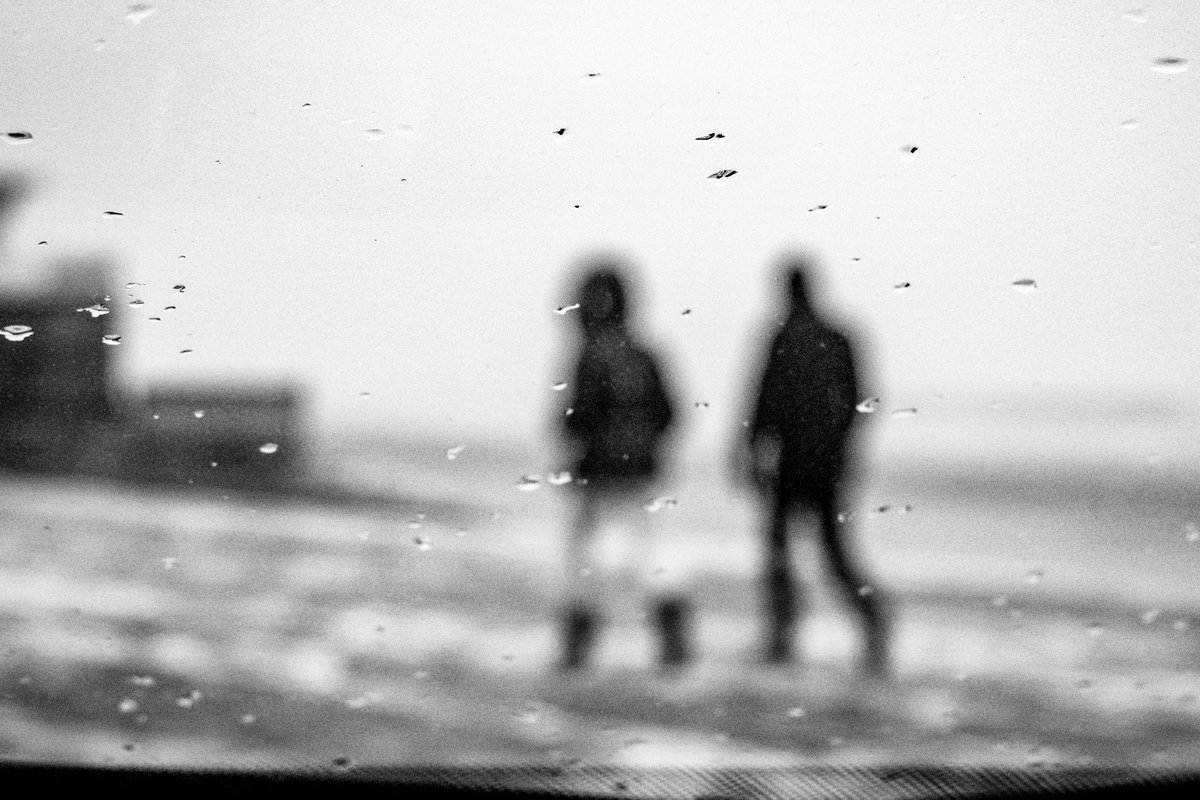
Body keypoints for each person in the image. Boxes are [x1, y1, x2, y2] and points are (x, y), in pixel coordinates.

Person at [738, 255, 890, 675]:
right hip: (821, 467)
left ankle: (786, 638)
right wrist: (844, 452)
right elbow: (860, 403)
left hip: (796, 466)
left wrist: (749, 450)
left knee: (787, 555)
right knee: (828, 555)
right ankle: (870, 626)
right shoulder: (835, 337)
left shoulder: (784, 338)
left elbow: (761, 401)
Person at [556, 263, 689, 672]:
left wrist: (584, 441)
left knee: (587, 567)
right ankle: (673, 646)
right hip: (641, 476)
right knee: (648, 561)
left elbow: (575, 418)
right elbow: (671, 412)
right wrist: (645, 445)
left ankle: (576, 657)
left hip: (598, 477)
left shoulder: (590, 356)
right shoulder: (646, 354)